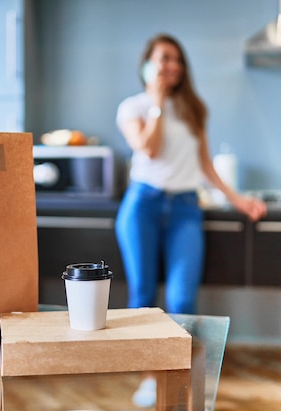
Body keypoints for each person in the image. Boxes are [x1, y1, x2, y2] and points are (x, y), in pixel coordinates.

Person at [115, 33, 267, 315]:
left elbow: (205, 165)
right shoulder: (132, 108)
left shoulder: (194, 110)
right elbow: (149, 149)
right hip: (142, 205)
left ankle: (181, 361)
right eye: (165, 58)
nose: (173, 65)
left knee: (182, 301)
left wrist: (238, 200)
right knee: (142, 297)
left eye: (178, 60)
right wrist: (158, 105)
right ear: (147, 65)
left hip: (185, 209)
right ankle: (143, 360)